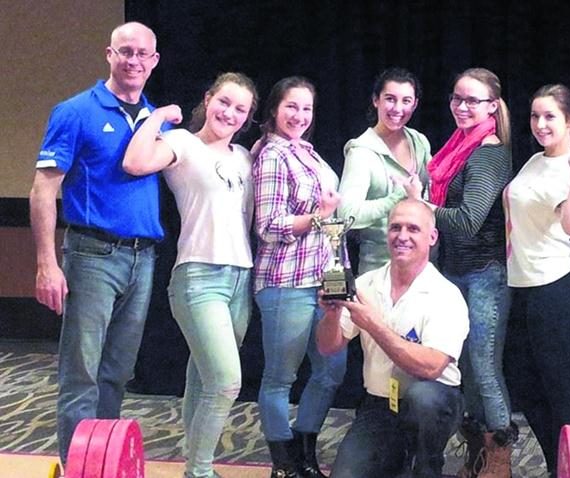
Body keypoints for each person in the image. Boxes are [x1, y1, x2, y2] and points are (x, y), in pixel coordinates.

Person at [28, 22, 163, 465]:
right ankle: (77, 468)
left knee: (117, 372)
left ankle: (101, 465)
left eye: (142, 54)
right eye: (126, 52)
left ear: (154, 61)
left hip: (142, 257)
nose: (134, 61)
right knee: (81, 374)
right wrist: (47, 263)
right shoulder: (75, 111)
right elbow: (43, 189)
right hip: (91, 255)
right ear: (109, 54)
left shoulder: (154, 118)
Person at [122, 72, 259, 478]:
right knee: (226, 382)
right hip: (198, 277)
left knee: (203, 380)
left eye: (240, 109)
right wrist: (158, 116)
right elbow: (134, 162)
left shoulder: (245, 156)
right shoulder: (183, 143)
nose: (230, 113)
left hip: (241, 278)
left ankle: (196, 465)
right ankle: (199, 471)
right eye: (224, 102)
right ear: (208, 98)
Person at [316, 199, 469, 478]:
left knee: (422, 398)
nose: (402, 236)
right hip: (380, 404)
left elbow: (431, 368)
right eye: (395, 227)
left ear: (432, 237)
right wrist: (331, 315)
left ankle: (427, 466)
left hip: (434, 402)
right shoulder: (365, 284)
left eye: (413, 229)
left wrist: (374, 325)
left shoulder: (446, 295)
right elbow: (327, 346)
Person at [252, 76, 347, 478]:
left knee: (331, 371)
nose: (299, 115)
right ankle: (285, 465)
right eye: (291, 106)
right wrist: (317, 217)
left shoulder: (307, 152)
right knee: (280, 377)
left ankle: (304, 453)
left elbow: (332, 219)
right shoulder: (272, 155)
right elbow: (269, 225)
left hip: (326, 279)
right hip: (285, 281)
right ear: (274, 109)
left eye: (307, 108)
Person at [427, 67, 515, 478]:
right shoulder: (458, 147)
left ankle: (499, 462)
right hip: (455, 273)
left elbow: (467, 221)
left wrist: (422, 207)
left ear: (492, 106)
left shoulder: (488, 152)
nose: (462, 107)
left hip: (484, 275)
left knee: (484, 370)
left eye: (472, 101)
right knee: (464, 370)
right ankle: (477, 455)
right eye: (457, 98)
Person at [503, 84, 570, 475]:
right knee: (525, 386)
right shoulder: (536, 160)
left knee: (559, 390)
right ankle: (560, 464)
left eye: (550, 116)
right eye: (535, 116)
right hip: (522, 285)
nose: (540, 124)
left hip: (554, 287)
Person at [338, 68, 431, 274]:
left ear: (415, 104)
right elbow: (347, 215)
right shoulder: (361, 152)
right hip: (379, 270)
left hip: (424, 268)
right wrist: (396, 198)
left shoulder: (419, 142)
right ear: (376, 100)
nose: (397, 108)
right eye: (390, 99)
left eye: (406, 101)